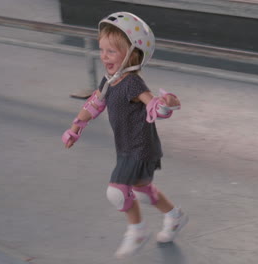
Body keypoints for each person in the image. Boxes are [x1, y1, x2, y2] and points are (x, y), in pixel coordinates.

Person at [61, 12, 188, 259]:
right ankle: (175, 217)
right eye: (102, 50)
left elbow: (154, 106)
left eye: (111, 51)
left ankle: (137, 231)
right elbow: (95, 104)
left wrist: (166, 104)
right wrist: (76, 127)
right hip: (128, 147)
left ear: (133, 55)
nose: (104, 56)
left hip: (140, 148)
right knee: (141, 190)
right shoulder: (110, 81)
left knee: (117, 192)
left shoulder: (132, 83)